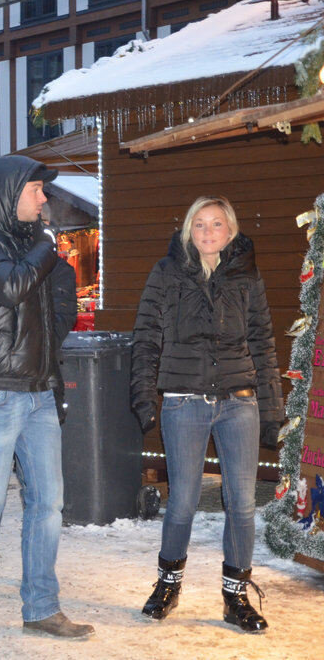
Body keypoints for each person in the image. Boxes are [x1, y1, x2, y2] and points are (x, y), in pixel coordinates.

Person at [0, 155, 93, 638]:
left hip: (38, 389)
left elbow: (53, 308)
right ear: (10, 193)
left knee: (49, 503)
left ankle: (41, 607)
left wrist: (48, 364)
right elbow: (10, 287)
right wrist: (48, 246)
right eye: (36, 190)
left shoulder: (32, 244)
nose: (44, 199)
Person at [130, 196, 282, 633]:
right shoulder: (167, 273)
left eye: (217, 224)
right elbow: (146, 337)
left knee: (242, 504)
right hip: (184, 401)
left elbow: (263, 343)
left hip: (240, 401)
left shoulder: (247, 275)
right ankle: (168, 583)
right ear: (188, 231)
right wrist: (144, 397)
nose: (208, 232)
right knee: (182, 502)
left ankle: (235, 595)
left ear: (231, 231)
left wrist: (270, 409)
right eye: (199, 225)